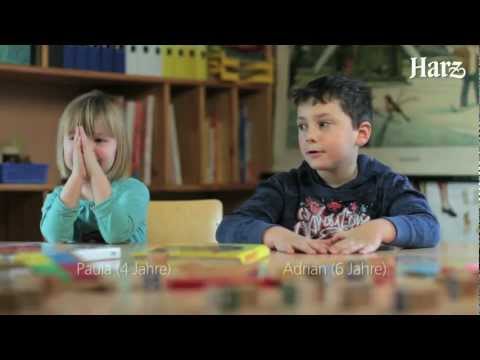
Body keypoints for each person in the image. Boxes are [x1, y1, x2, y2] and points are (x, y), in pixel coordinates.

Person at [216, 75, 440, 255]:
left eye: (323, 124)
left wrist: (379, 229)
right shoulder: (284, 187)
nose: (309, 136)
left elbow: (428, 226)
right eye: (302, 126)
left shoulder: (386, 183)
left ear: (361, 134)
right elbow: (229, 227)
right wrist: (274, 234)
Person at [41, 90, 150, 244]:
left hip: (125, 268)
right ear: (62, 146)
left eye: (99, 139)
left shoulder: (133, 191)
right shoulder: (57, 198)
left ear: (118, 148)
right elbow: (55, 237)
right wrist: (77, 176)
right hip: (76, 268)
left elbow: (116, 234)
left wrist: (94, 172)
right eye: (75, 138)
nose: (86, 148)